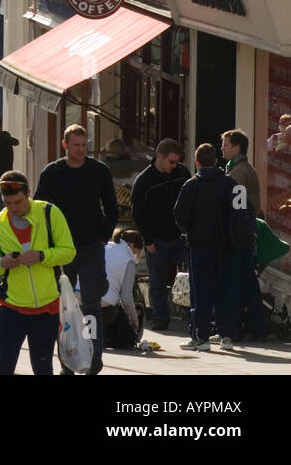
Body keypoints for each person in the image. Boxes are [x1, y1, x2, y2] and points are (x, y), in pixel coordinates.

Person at [34, 124, 117, 374]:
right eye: (76, 145)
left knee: (91, 302)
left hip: (91, 245)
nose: (81, 150)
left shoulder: (99, 171)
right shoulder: (53, 172)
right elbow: (41, 206)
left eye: (84, 145)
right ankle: (67, 361)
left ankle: (94, 358)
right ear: (65, 145)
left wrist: (103, 237)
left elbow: (111, 206)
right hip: (61, 248)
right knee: (63, 305)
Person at [0, 171, 77, 374]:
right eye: (8, 203)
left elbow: (69, 252)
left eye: (19, 202)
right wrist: (1, 262)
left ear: (29, 193)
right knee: (4, 366)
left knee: (42, 367)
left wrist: (42, 256)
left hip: (47, 307)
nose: (13, 208)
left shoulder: (49, 212)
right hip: (11, 306)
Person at [174, 143, 243, 351]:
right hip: (228, 247)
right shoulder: (232, 184)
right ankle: (227, 336)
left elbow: (180, 216)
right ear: (216, 161)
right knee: (226, 290)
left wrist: (191, 231)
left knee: (201, 291)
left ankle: (201, 336)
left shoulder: (191, 185)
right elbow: (241, 213)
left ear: (196, 163)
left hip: (201, 246)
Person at [130, 138, 189, 331]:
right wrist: (148, 239)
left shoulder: (182, 173)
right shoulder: (144, 181)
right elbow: (138, 213)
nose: (175, 166)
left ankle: (192, 315)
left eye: (177, 162)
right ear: (159, 157)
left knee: (190, 277)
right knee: (157, 280)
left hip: (181, 236)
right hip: (158, 239)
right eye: (171, 162)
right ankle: (160, 317)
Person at [220, 128, 265, 341]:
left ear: (236, 147)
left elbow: (236, 208)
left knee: (237, 284)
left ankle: (240, 328)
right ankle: (257, 327)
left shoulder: (238, 173)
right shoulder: (242, 168)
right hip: (246, 235)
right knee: (248, 283)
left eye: (225, 145)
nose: (222, 148)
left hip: (239, 237)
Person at [101, 228, 144, 350]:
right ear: (131, 245)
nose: (135, 256)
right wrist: (134, 319)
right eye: (136, 252)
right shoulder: (128, 260)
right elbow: (126, 298)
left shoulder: (104, 247)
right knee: (114, 311)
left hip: (81, 302)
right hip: (103, 308)